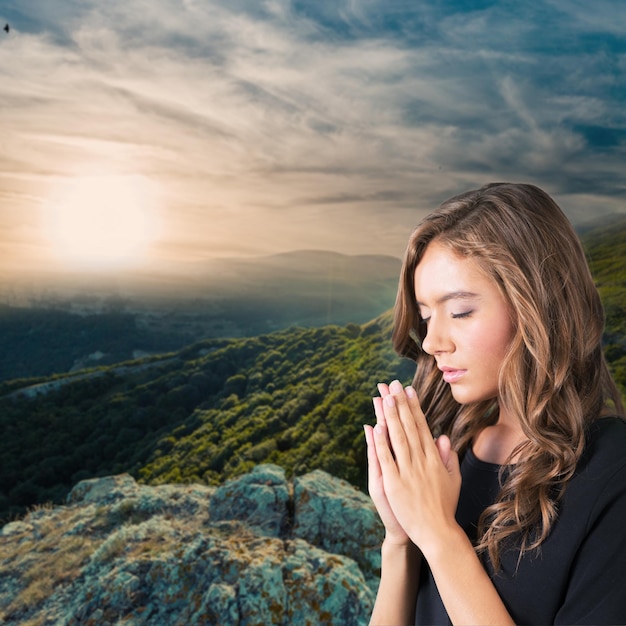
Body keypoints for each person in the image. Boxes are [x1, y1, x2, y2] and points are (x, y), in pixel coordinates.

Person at [363, 182, 626, 625]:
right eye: (426, 316)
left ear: (537, 306)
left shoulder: (612, 475)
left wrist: (440, 535)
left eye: (461, 311)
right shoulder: (453, 450)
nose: (430, 341)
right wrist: (401, 537)